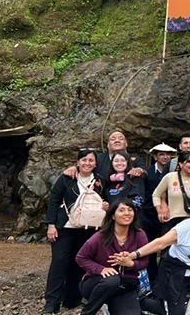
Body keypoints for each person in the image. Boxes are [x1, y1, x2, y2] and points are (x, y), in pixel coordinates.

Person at [122, 195, 190, 315]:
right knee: (174, 312)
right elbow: (160, 243)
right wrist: (134, 255)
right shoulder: (184, 228)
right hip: (174, 270)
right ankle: (142, 302)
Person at [44, 148, 109, 314]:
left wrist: (106, 207)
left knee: (79, 263)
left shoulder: (100, 181)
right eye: (84, 160)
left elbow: (107, 200)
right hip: (65, 227)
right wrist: (51, 224)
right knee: (59, 262)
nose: (87, 163)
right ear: (78, 162)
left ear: (96, 163)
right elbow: (54, 200)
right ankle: (52, 302)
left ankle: (72, 299)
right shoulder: (67, 178)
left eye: (91, 160)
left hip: (89, 228)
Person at [75, 199, 149, 315]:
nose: (127, 213)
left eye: (130, 210)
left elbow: (144, 262)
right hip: (97, 284)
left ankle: (110, 305)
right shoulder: (100, 236)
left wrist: (131, 264)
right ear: (113, 216)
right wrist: (101, 269)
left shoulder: (140, 235)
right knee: (112, 279)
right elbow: (81, 257)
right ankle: (87, 312)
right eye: (121, 210)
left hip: (124, 287)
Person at [153, 151, 190, 233]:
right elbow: (156, 194)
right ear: (180, 164)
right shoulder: (169, 177)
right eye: (189, 162)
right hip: (172, 221)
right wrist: (160, 210)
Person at [143, 143, 176, 280]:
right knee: (149, 247)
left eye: (168, 154)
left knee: (168, 249)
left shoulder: (175, 173)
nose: (165, 157)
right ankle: (151, 278)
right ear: (155, 157)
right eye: (161, 154)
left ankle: (164, 279)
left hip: (169, 215)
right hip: (149, 215)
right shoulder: (147, 172)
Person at [63, 130, 147, 180]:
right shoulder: (98, 158)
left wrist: (140, 171)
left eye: (120, 139)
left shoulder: (136, 159)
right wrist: (75, 168)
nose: (117, 140)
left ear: (126, 143)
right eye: (113, 139)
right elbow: (86, 166)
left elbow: (145, 172)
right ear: (107, 145)